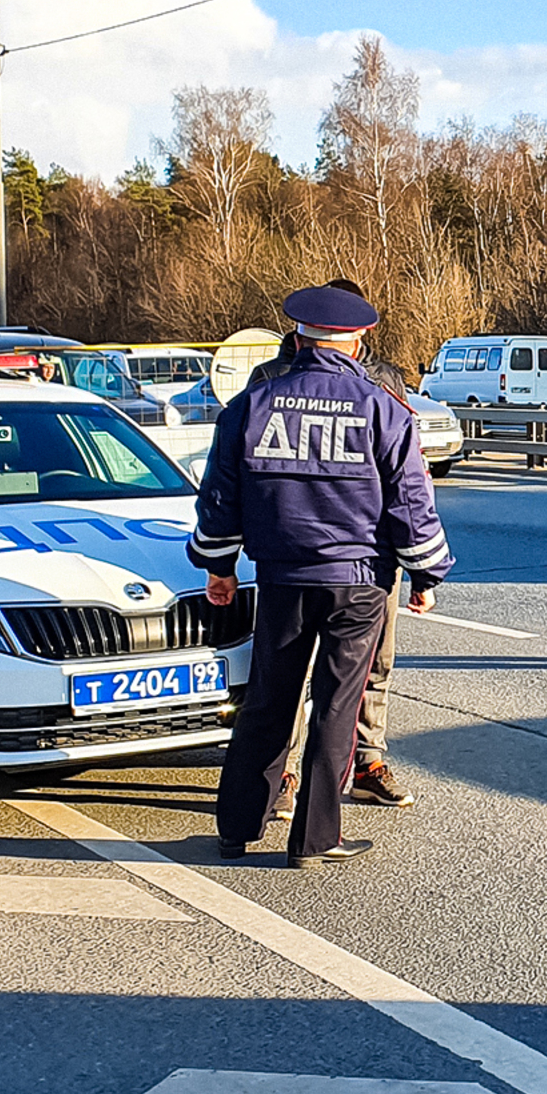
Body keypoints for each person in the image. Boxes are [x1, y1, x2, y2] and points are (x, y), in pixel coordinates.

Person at [191, 285, 453, 866]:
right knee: (338, 706)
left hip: (283, 575)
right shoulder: (382, 407)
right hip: (358, 581)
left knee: (268, 699)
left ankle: (237, 826)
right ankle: (315, 839)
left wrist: (218, 566)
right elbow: (411, 502)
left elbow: (220, 496)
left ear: (299, 335)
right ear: (358, 340)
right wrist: (426, 574)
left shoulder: (253, 403)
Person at [248, 280, 416, 815]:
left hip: (370, 557)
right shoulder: (269, 381)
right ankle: (285, 774)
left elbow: (404, 473)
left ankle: (367, 760)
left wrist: (415, 555)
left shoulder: (383, 380)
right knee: (290, 675)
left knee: (373, 667)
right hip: (297, 555)